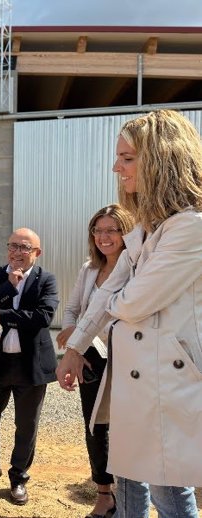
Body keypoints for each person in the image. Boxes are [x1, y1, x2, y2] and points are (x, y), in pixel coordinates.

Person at [56, 109, 202, 518]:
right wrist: (76, 347)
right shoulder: (150, 228)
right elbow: (110, 293)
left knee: (172, 497)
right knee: (133, 483)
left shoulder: (190, 228)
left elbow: (130, 300)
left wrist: (115, 302)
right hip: (142, 383)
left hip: (168, 386)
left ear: (162, 158)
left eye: (127, 158)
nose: (115, 167)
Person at [0, 228, 58, 507]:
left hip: (31, 368)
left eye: (24, 248)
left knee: (26, 426)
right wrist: (8, 286)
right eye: (13, 246)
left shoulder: (46, 280)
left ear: (36, 253)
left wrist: (4, 314)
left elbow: (43, 317)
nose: (17, 252)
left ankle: (18, 477)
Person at [56, 205, 134, 518]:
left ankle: (130, 496)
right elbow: (73, 309)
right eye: (98, 230)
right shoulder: (89, 269)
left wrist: (82, 335)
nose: (103, 237)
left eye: (111, 230)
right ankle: (104, 494)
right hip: (91, 359)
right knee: (95, 427)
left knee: (128, 429)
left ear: (125, 233)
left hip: (128, 360)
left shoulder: (136, 269)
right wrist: (73, 334)